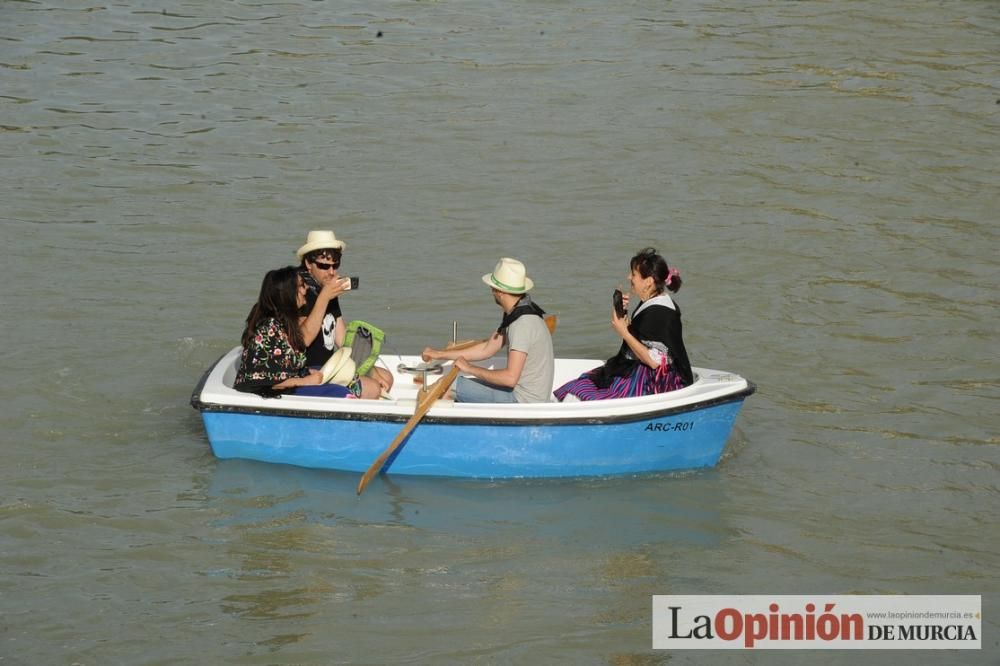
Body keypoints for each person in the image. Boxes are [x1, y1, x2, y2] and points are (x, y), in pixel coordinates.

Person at [554, 247, 693, 401]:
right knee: (579, 386)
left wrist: (624, 332)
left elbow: (655, 362)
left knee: (580, 394)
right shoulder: (653, 302)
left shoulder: (659, 313)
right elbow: (643, 335)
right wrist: (623, 315)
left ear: (648, 282)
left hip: (654, 380)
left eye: (633, 274)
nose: (629, 277)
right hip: (641, 367)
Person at [422, 257, 554, 403]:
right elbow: (486, 349)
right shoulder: (521, 311)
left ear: (499, 291)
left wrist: (469, 368)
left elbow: (510, 378)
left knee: (446, 386)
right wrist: (438, 354)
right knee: (450, 380)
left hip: (523, 400)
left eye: (492, 287)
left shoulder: (521, 324)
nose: (491, 291)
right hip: (523, 392)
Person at [295, 230, 393, 395]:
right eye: (324, 266)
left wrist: (370, 370)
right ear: (308, 263)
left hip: (330, 365)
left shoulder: (326, 288)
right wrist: (324, 297)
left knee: (386, 377)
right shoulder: (300, 291)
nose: (331, 272)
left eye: (335, 265)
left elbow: (342, 339)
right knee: (373, 388)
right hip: (308, 369)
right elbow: (303, 339)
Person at [233, 266, 350, 397]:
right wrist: (305, 381)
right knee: (340, 393)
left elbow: (284, 365)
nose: (305, 289)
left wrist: (305, 373)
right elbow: (266, 382)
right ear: (288, 293)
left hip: (285, 386)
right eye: (301, 286)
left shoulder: (286, 323)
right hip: (268, 393)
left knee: (342, 386)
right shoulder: (269, 330)